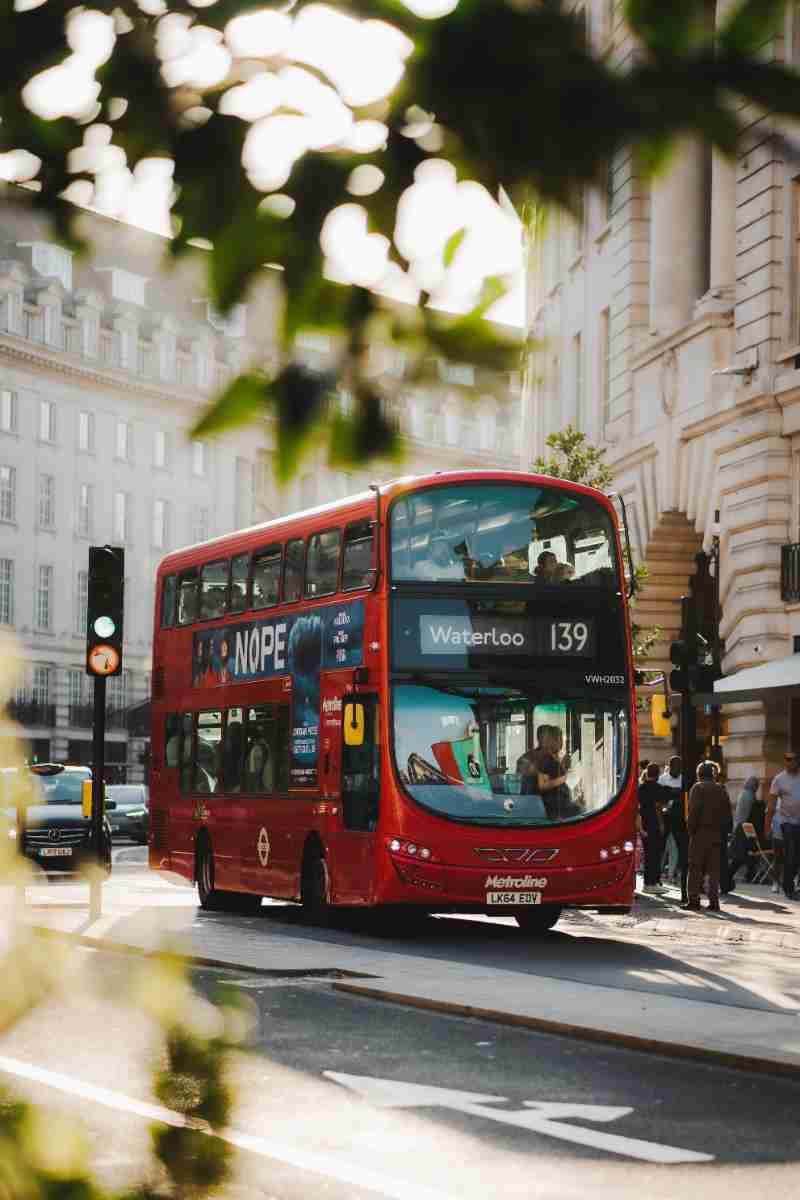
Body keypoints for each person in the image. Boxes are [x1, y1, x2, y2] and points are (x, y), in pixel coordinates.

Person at [684, 760, 731, 912]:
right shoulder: (721, 789)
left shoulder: (698, 788)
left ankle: (694, 899)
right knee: (713, 870)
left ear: (699, 774)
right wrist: (725, 832)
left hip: (700, 833)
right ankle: (714, 901)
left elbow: (694, 811)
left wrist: (691, 830)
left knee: (695, 867)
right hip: (717, 834)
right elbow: (727, 813)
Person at [767, 751, 800, 900]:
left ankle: (793, 883)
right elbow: (772, 804)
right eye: (787, 759)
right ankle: (788, 888)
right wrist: (767, 826)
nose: (790, 762)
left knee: (797, 856)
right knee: (790, 855)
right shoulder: (779, 779)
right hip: (787, 822)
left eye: (793, 759)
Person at [638, 762, 669, 893]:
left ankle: (648, 883)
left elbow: (638, 809)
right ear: (657, 774)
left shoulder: (640, 788)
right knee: (655, 854)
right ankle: (653, 883)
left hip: (644, 824)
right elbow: (658, 808)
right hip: (654, 824)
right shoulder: (658, 788)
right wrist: (662, 824)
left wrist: (640, 828)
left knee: (648, 855)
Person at [727, 776, 760, 886]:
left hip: (742, 827)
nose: (757, 787)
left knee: (741, 855)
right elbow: (746, 816)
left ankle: (746, 874)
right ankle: (730, 875)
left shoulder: (745, 794)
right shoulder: (749, 795)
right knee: (740, 855)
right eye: (756, 785)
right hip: (744, 828)